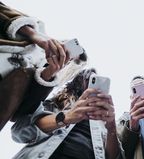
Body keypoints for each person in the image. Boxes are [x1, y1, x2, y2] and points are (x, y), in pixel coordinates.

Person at [0, 1, 87, 129]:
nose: (68, 58)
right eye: (71, 49)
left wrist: (49, 74)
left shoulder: (42, 79)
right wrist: (33, 34)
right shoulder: (36, 27)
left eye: (73, 62)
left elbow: (19, 116)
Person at [11, 68, 124, 159]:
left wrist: (111, 127)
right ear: (78, 82)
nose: (91, 82)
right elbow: (19, 132)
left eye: (94, 80)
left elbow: (115, 157)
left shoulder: (103, 118)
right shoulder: (55, 103)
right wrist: (66, 117)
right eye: (87, 78)